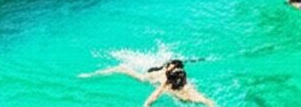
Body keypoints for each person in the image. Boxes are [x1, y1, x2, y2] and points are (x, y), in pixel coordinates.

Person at [79, 59, 215, 107]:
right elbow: (152, 98)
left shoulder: (189, 92)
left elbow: (209, 103)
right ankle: (94, 74)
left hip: (167, 78)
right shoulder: (166, 83)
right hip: (154, 76)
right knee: (139, 77)